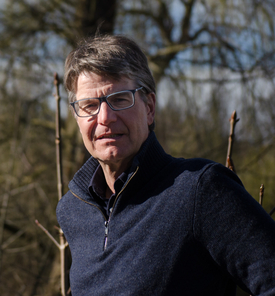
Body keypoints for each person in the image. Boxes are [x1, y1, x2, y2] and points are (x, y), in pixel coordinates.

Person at [56, 35, 275, 296]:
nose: (105, 118)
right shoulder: (73, 210)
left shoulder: (200, 191)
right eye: (89, 105)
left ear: (149, 107)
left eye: (120, 99)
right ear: (76, 118)